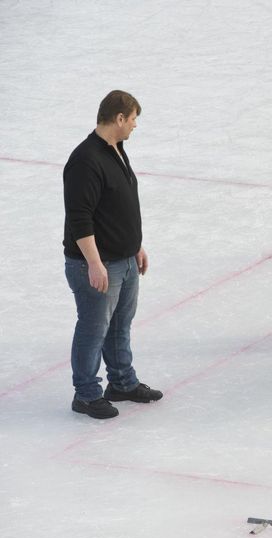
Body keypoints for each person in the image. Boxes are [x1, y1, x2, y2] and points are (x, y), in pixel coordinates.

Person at [63, 90, 163, 419]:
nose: (135, 125)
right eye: (133, 119)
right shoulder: (85, 160)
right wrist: (94, 263)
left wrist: (135, 245)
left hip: (124, 259)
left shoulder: (117, 149)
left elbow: (120, 204)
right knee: (94, 329)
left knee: (120, 325)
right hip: (98, 264)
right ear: (119, 119)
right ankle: (87, 394)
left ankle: (121, 382)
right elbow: (80, 218)